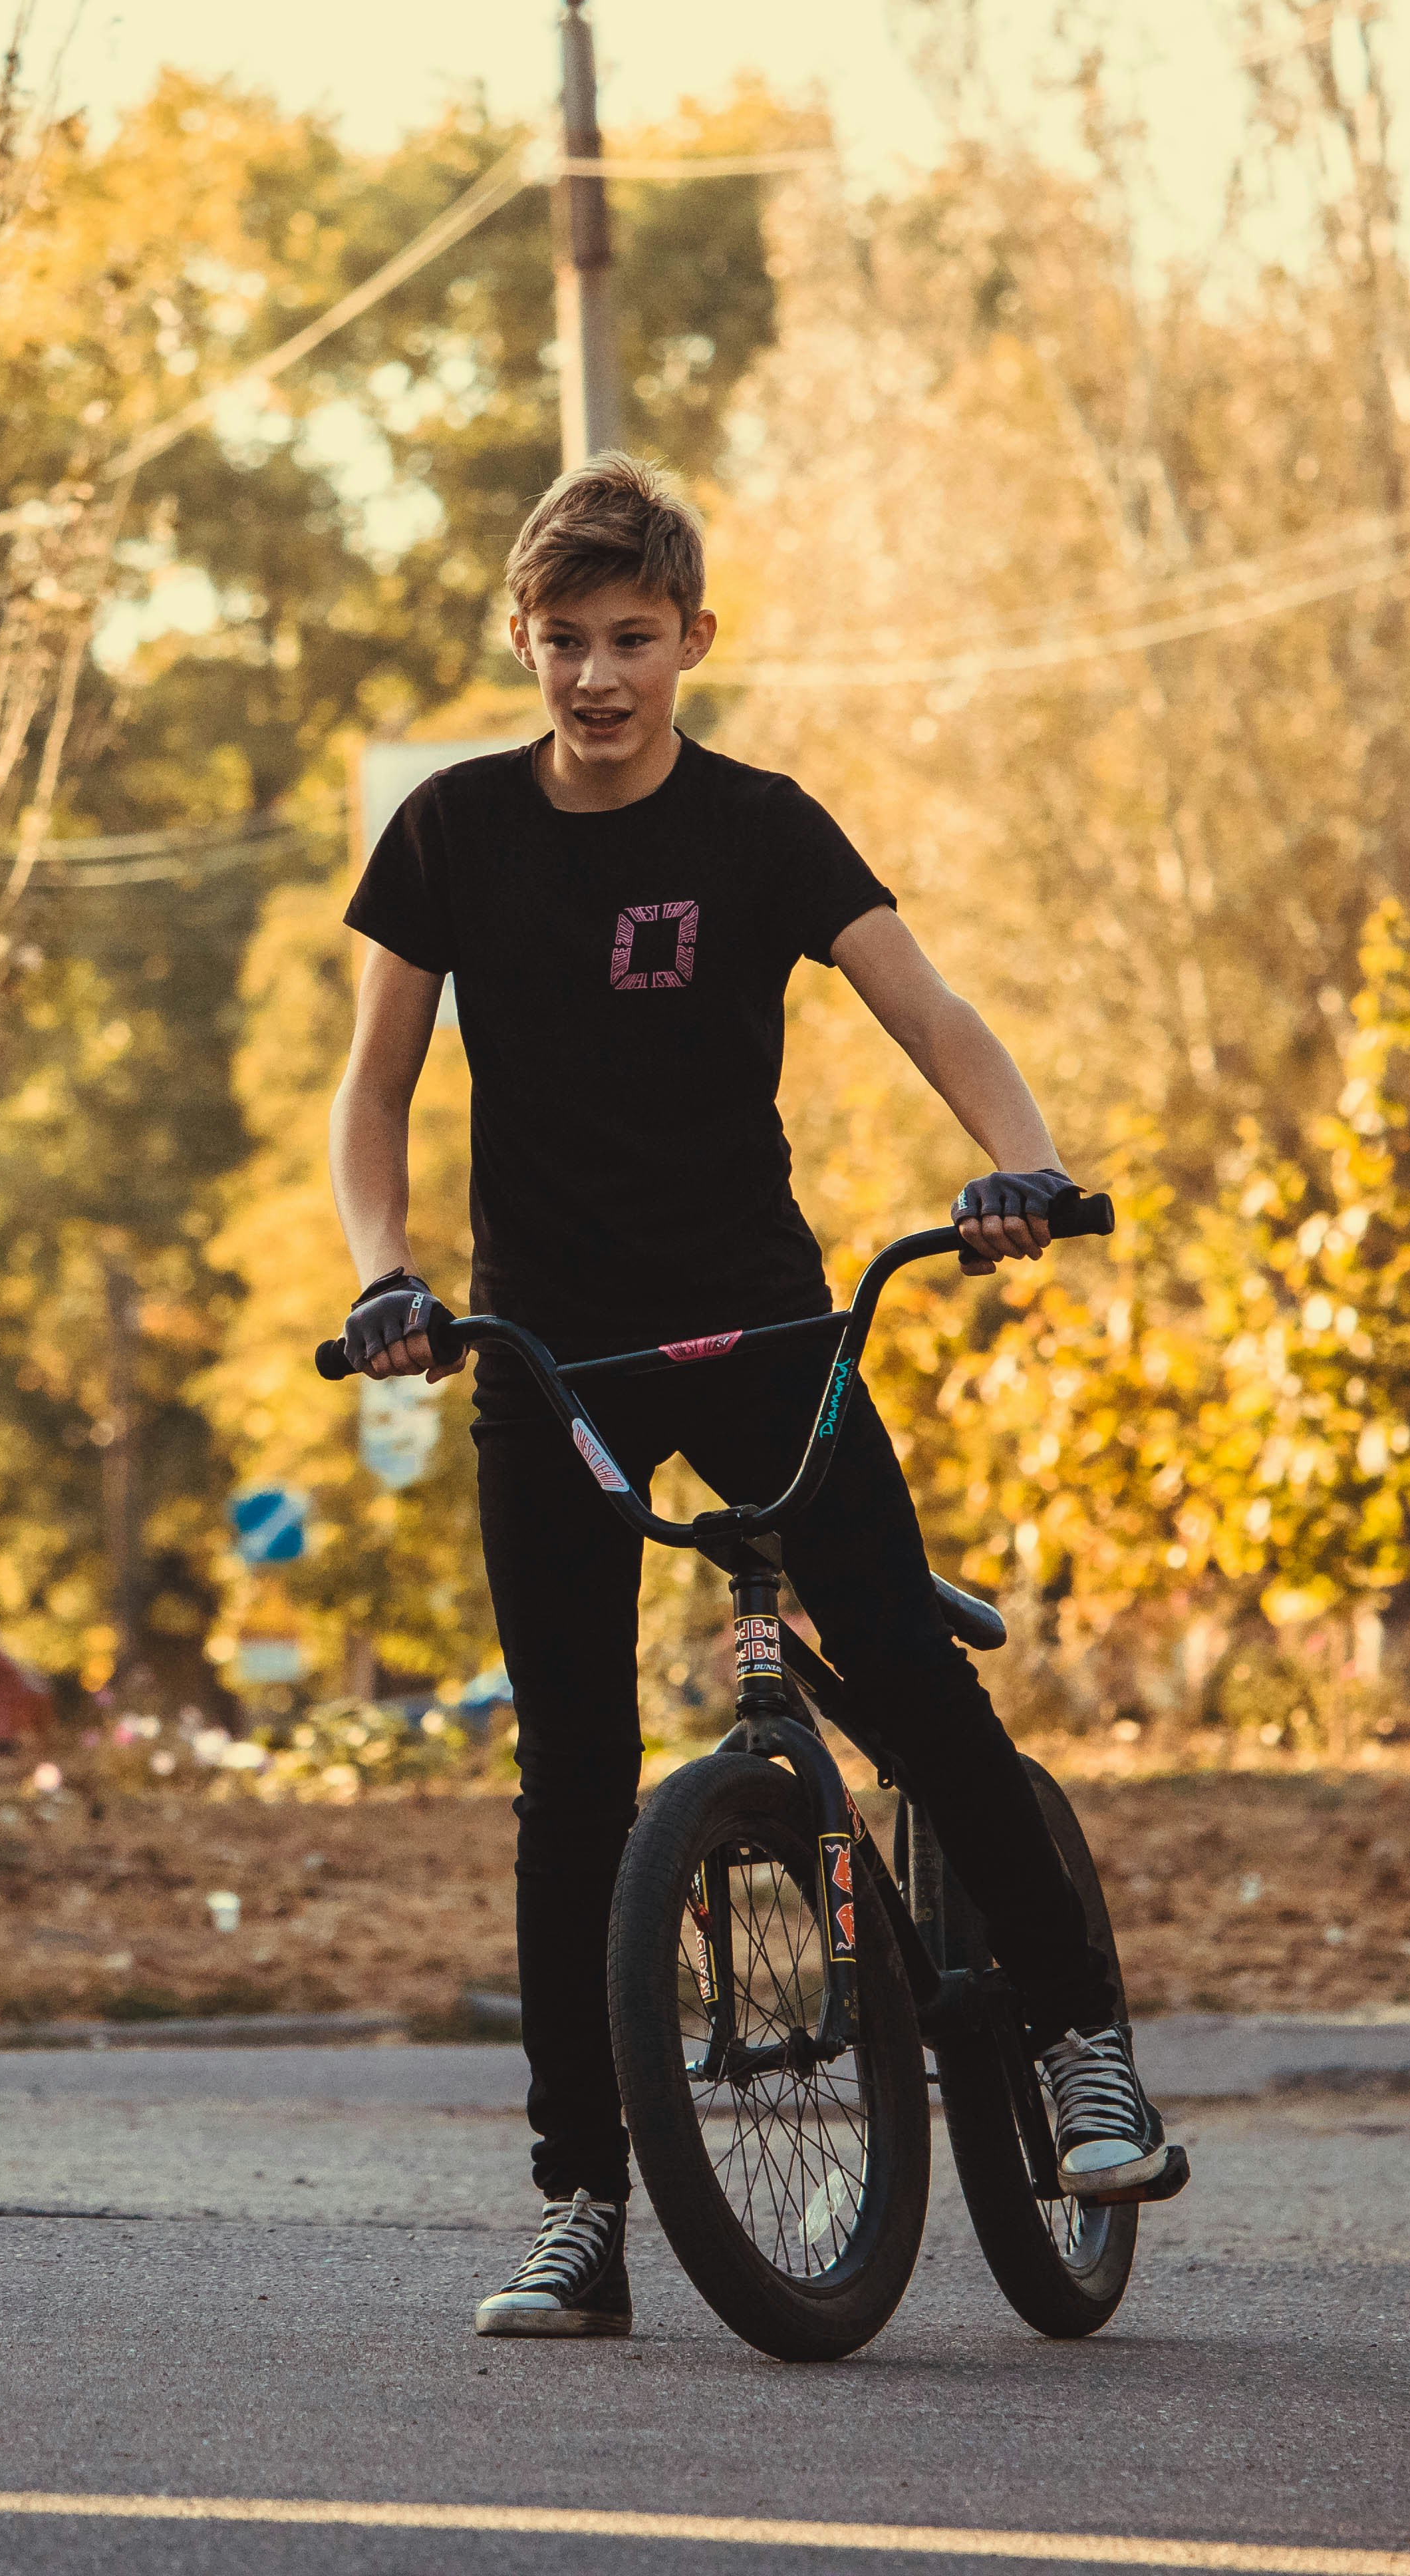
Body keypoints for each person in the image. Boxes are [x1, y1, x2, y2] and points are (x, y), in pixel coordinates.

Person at [329, 452, 1167, 2343]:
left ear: (696, 638)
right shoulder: (451, 836)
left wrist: (1021, 1168)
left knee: (906, 1672)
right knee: (571, 1775)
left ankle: (1081, 2048)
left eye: (635, 638)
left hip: (760, 1328)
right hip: (552, 1352)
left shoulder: (766, 829)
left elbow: (933, 1013)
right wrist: (389, 1280)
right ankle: (580, 2206)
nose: (600, 675)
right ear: (522, 643)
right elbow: (372, 1090)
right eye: (565, 641)